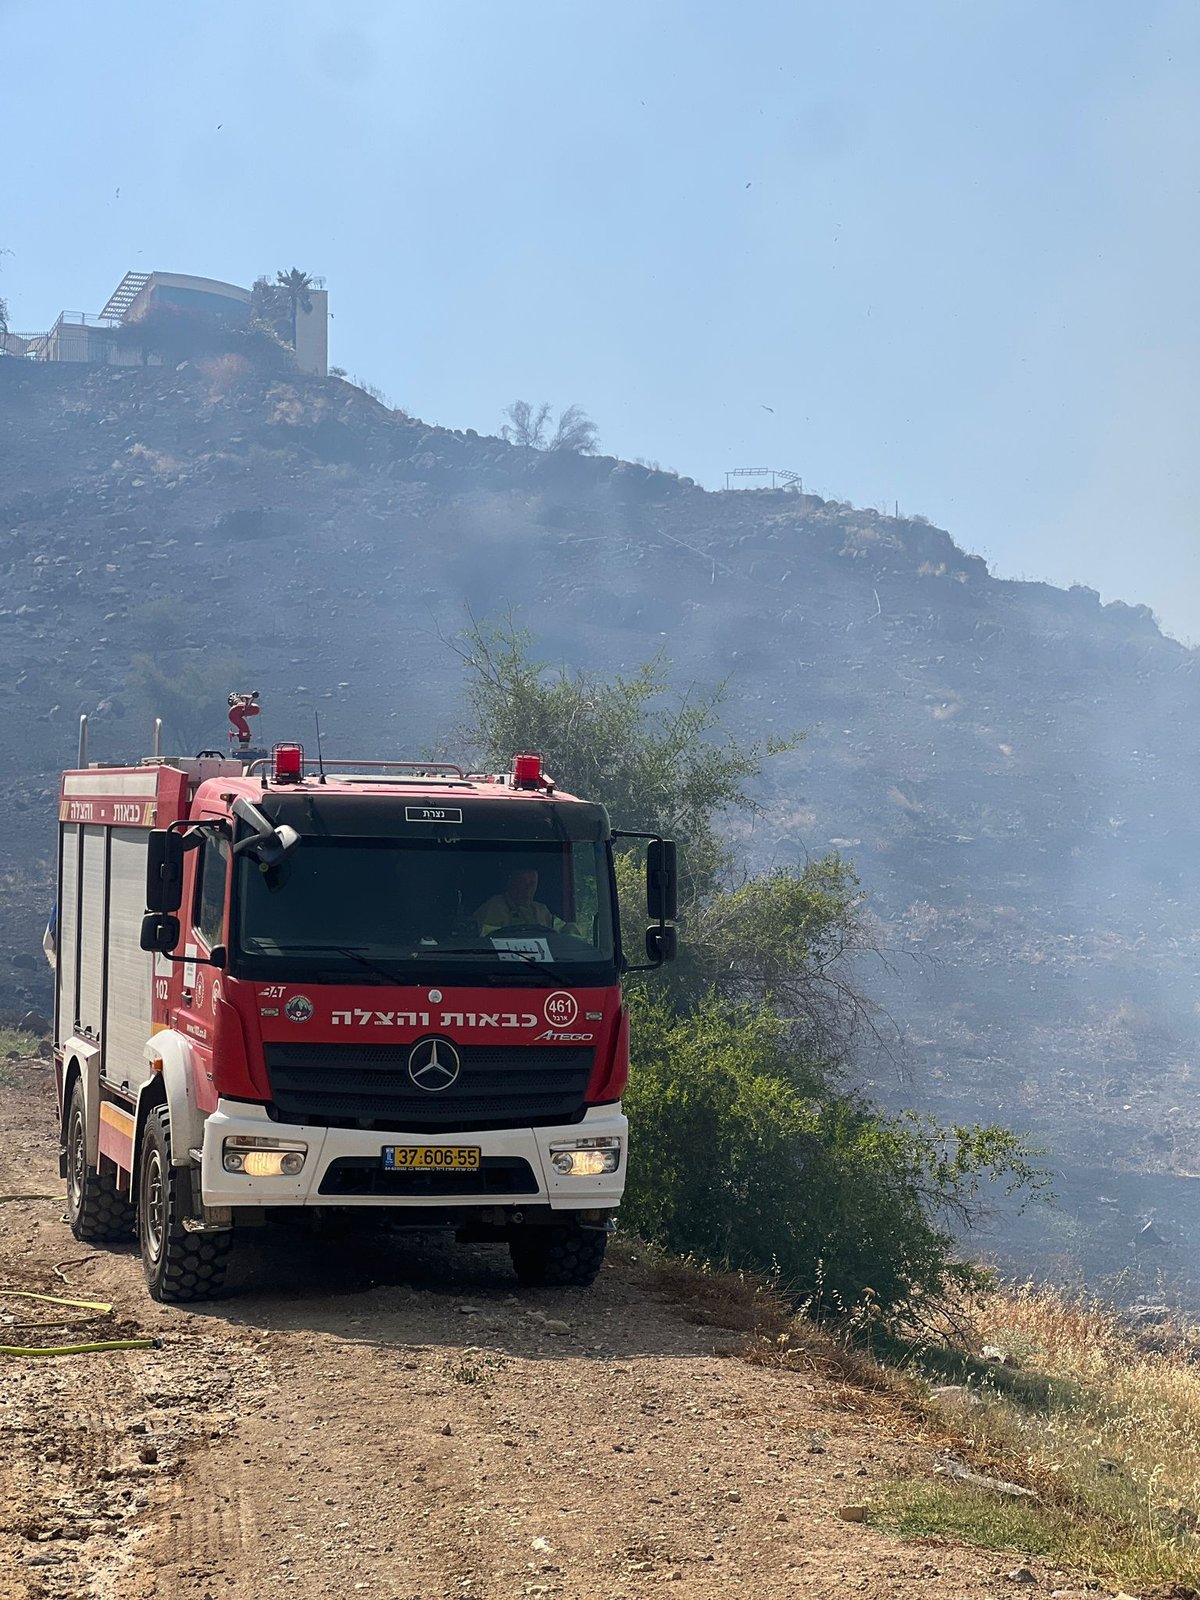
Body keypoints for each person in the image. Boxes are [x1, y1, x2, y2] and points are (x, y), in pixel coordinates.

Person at [474, 865, 576, 938]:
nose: (528, 889)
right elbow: (488, 940)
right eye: (522, 882)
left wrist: (575, 939)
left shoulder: (540, 909)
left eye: (532, 883)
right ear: (511, 883)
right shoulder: (495, 906)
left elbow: (565, 930)